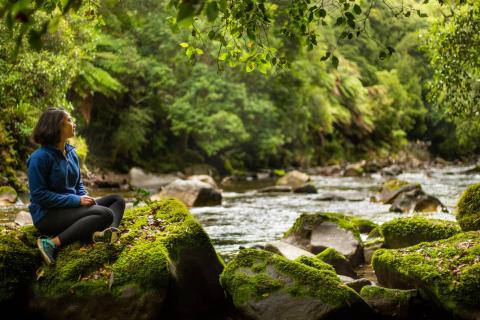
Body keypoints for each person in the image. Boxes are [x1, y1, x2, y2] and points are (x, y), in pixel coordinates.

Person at [27, 108, 125, 265]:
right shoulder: (39, 158)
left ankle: (104, 235)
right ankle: (52, 243)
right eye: (69, 120)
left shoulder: (71, 153)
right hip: (48, 215)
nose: (73, 123)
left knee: (117, 200)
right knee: (105, 214)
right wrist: (77, 201)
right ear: (57, 126)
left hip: (72, 208)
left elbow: (78, 184)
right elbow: (39, 196)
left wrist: (85, 197)